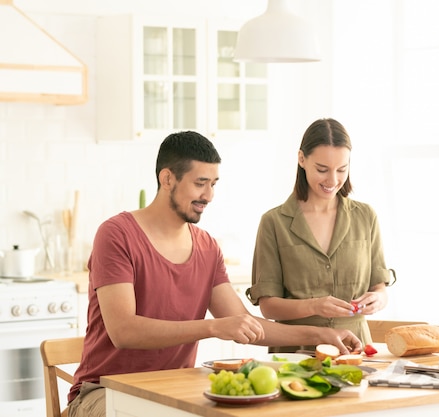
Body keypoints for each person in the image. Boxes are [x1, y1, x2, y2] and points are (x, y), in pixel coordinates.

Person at [67, 131, 361, 417]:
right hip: (104, 392)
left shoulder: (207, 247)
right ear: (167, 178)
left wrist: (319, 334)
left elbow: (246, 325)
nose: (208, 195)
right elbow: (124, 331)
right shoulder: (117, 235)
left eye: (214, 184)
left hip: (173, 391)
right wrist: (211, 327)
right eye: (200, 183)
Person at [247, 118, 391, 353]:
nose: (332, 181)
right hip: (295, 352)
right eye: (322, 170)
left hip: (354, 349)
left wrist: (378, 299)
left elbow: (380, 287)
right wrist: (315, 306)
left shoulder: (365, 217)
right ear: (302, 159)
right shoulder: (274, 223)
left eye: (342, 170)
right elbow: (269, 307)